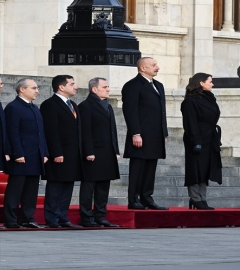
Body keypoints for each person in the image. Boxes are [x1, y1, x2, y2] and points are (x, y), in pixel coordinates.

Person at [122, 57, 169, 210]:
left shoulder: (158, 85)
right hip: (141, 134)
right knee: (138, 167)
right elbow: (130, 111)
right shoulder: (133, 85)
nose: (158, 67)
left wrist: (164, 133)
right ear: (142, 68)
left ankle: (146, 197)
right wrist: (135, 133)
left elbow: (161, 111)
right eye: (153, 65)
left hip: (155, 135)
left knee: (150, 167)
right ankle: (133, 199)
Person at [3, 78, 49, 228]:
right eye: (34, 88)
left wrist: (45, 152)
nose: (37, 91)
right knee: (15, 189)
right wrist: (17, 153)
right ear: (22, 89)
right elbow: (12, 132)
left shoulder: (34, 108)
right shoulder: (13, 107)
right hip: (21, 156)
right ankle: (10, 219)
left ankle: (27, 218)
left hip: (35, 155)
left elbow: (41, 133)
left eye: (37, 88)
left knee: (31, 189)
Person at [39, 75, 83, 228]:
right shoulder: (50, 104)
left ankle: (62, 216)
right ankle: (51, 218)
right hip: (58, 154)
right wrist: (56, 152)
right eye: (72, 84)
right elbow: (51, 131)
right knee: (55, 185)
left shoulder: (73, 105)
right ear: (61, 87)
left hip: (72, 154)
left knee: (68, 185)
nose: (75, 87)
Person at [77, 77, 121, 227]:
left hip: (107, 152)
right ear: (94, 89)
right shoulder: (85, 106)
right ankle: (86, 216)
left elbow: (112, 130)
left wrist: (115, 149)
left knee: (104, 185)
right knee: (89, 186)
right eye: (105, 87)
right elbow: (85, 131)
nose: (108, 89)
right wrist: (88, 151)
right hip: (93, 152)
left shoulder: (108, 106)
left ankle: (100, 215)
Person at [180, 73, 223, 210]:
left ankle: (202, 198)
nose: (212, 84)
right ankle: (195, 197)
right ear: (201, 83)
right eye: (210, 82)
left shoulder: (210, 99)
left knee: (205, 169)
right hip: (197, 137)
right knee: (195, 168)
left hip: (210, 137)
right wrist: (195, 140)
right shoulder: (190, 101)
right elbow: (190, 123)